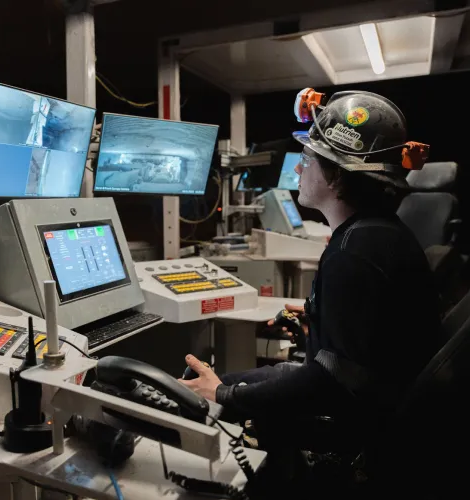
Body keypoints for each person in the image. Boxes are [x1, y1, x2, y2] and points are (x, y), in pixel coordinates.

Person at [179, 88, 441, 450]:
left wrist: (225, 395)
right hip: (380, 408)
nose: (300, 168)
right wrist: (320, 316)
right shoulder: (377, 234)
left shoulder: (353, 254)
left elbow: (327, 383)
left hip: (360, 438)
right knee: (228, 380)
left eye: (307, 157)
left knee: (214, 390)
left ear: (335, 176)